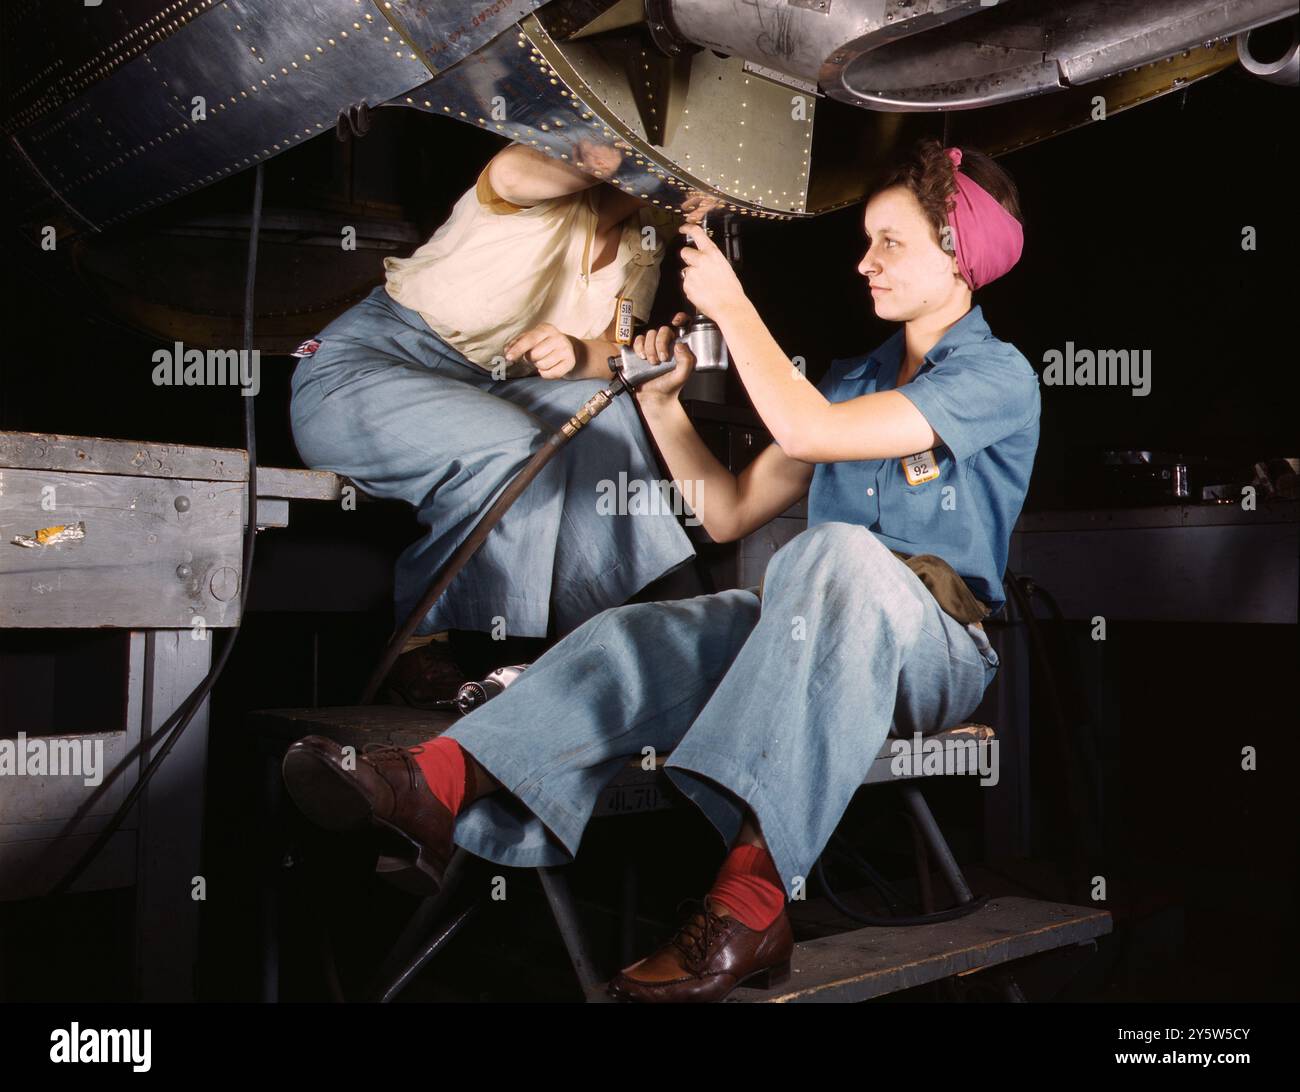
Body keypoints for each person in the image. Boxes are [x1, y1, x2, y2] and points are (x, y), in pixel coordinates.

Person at [282, 138, 1040, 1002]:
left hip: (931, 653)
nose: (865, 263)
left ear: (958, 255)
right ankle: (433, 785)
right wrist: (661, 403)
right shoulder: (851, 378)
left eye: (890, 243)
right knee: (639, 635)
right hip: (806, 630)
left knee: (833, 552)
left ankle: (751, 903)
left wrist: (734, 307)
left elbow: (810, 434)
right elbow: (727, 511)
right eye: (865, 240)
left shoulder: (997, 376)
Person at [287, 139, 700, 702]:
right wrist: (619, 158)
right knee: (511, 445)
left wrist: (580, 351)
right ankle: (426, 644)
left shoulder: (646, 237)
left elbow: (614, 346)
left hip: (490, 387)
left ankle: (617, 639)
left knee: (605, 412)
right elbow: (511, 174)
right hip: (366, 368)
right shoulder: (538, 176)